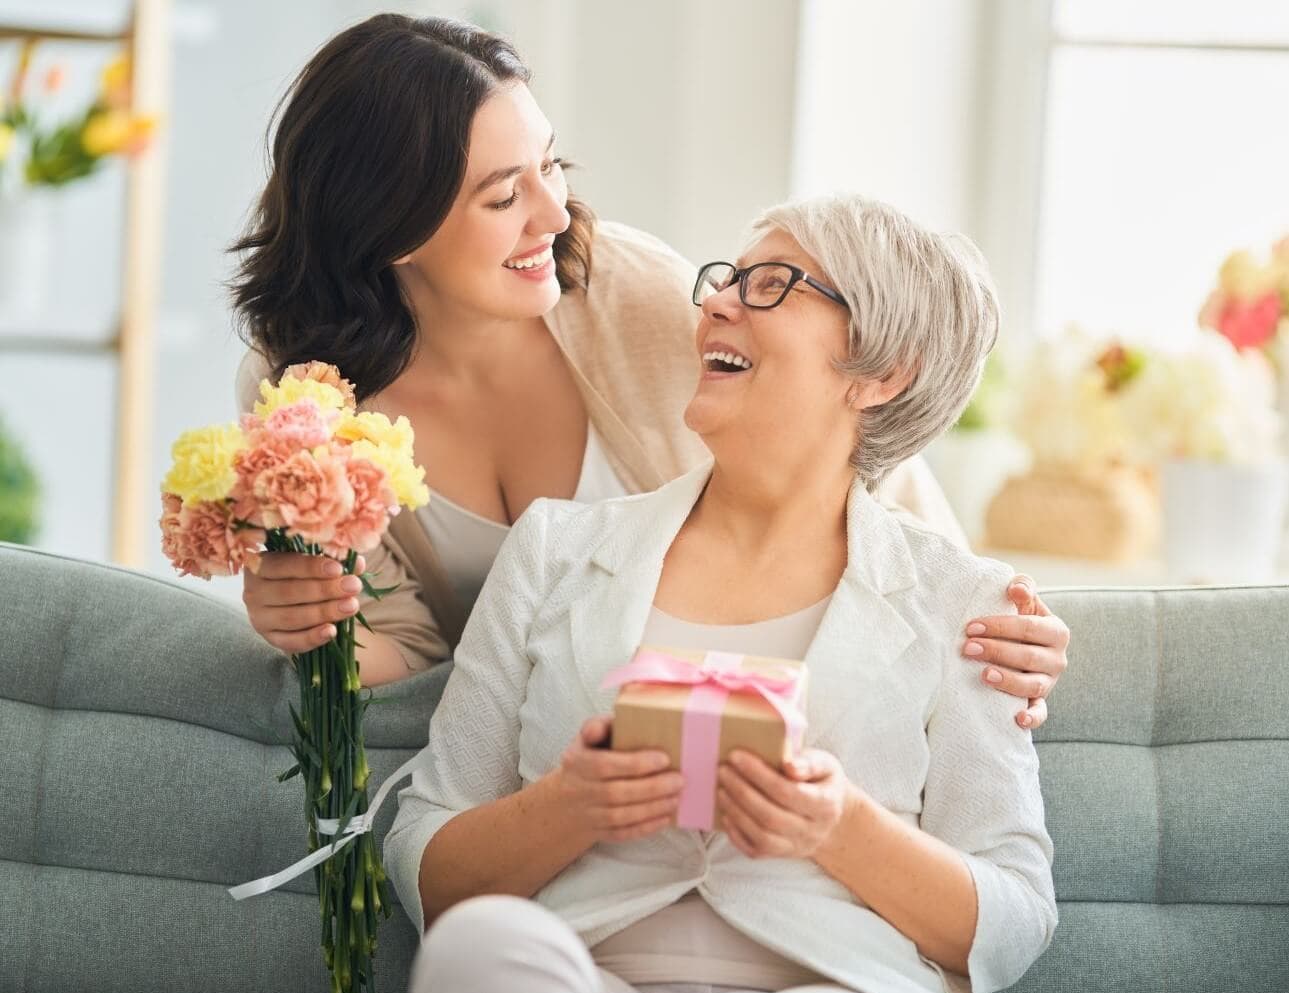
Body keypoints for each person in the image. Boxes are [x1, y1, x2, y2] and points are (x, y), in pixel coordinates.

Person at [231, 13, 1069, 726]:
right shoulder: (302, 399)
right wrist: (311, 625)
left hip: (741, 710)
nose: (554, 214)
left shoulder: (629, 292)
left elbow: (848, 445)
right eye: (502, 196)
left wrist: (979, 624)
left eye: (549, 165)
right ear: (392, 231)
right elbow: (412, 653)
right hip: (546, 746)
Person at [385, 192, 1056, 993]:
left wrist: (835, 825)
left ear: (882, 371)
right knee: (482, 950)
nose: (715, 303)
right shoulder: (557, 548)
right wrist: (569, 805)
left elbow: (1012, 920)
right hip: (590, 991)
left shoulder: (962, 599)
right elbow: (424, 856)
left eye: (774, 284)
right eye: (726, 279)